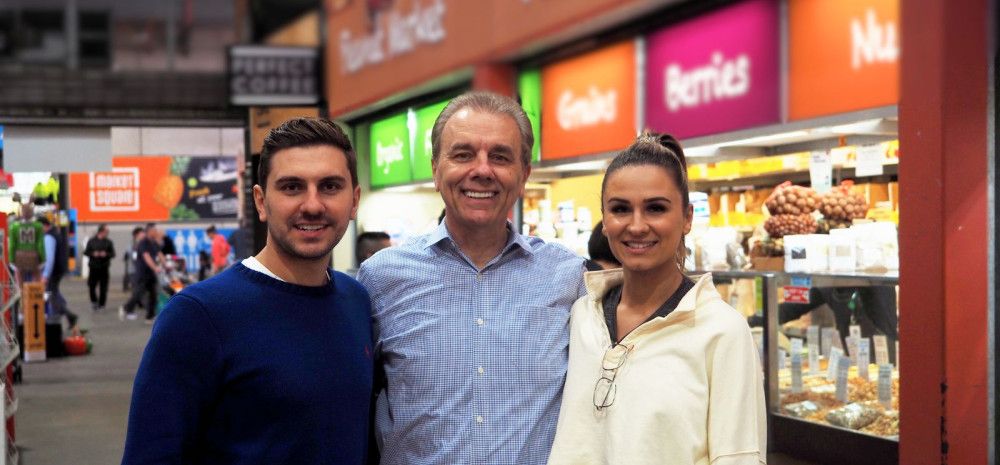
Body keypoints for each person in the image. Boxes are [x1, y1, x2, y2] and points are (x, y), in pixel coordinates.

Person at [122, 117, 373, 465]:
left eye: (330, 186)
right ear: (260, 201)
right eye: (291, 187)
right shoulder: (198, 316)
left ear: (354, 200)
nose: (313, 205)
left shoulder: (356, 300)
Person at [358, 91, 585, 465]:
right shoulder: (381, 279)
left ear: (524, 174)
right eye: (463, 154)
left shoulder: (567, 276)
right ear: (435, 169)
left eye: (500, 156)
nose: (482, 170)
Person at [546, 133, 766, 465]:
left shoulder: (722, 331)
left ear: (687, 218)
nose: (636, 225)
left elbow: (739, 457)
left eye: (656, 208)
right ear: (605, 220)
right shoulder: (583, 315)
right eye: (620, 209)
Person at [119, 223, 162, 323]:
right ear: (149, 231)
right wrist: (155, 268)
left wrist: (166, 264)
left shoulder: (153, 242)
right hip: (142, 273)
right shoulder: (143, 243)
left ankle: (150, 316)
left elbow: (160, 254)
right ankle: (126, 308)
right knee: (138, 293)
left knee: (153, 294)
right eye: (154, 230)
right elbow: (147, 257)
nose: (156, 232)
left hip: (150, 274)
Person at [41, 217, 78, 331]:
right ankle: (64, 307)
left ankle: (69, 315)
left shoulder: (48, 237)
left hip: (53, 271)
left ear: (44, 225)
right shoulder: (55, 233)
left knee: (50, 294)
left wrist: (45, 275)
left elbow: (50, 258)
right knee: (54, 292)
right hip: (59, 269)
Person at [8, 202, 45, 284]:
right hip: (34, 257)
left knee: (20, 279)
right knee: (37, 279)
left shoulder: (14, 227)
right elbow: (40, 245)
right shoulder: (38, 226)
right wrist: (43, 259)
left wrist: (11, 260)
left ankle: (22, 293)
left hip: (19, 258)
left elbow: (12, 245)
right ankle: (35, 294)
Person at [83, 224, 116, 310]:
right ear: (101, 231)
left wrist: (106, 254)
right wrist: (93, 254)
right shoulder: (91, 241)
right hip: (93, 267)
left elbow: (113, 254)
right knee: (91, 285)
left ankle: (102, 304)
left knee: (103, 287)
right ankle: (94, 301)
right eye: (106, 231)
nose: (107, 233)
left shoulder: (108, 242)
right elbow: (86, 252)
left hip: (104, 267)